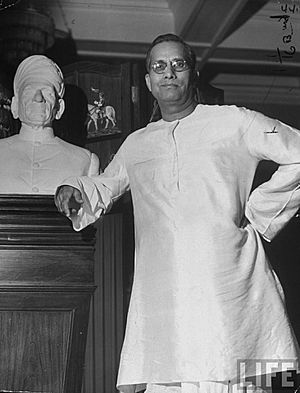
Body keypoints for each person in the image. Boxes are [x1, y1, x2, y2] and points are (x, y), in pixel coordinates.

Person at [55, 34, 300, 393]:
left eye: (178, 64)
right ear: (148, 82)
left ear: (192, 73)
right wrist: (75, 188)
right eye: (159, 66)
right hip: (164, 293)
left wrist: (259, 214)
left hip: (229, 283)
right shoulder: (137, 143)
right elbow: (106, 184)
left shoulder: (236, 121)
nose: (168, 73)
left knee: (245, 377)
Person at [0, 54, 99, 194]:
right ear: (15, 106)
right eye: (29, 91)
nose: (38, 98)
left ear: (59, 109)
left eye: (47, 93)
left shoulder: (86, 162)